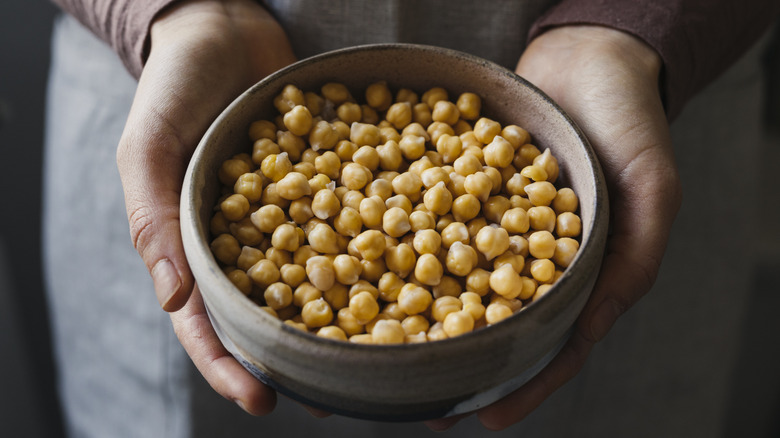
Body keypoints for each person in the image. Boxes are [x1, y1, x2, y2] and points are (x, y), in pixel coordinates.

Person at [44, 0, 780, 436]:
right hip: (181, 91)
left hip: (617, 106)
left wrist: (638, 20)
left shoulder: (498, 212)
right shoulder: (281, 211)